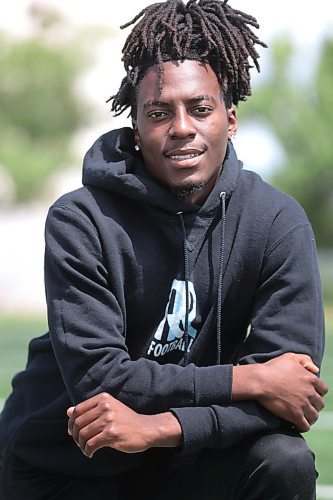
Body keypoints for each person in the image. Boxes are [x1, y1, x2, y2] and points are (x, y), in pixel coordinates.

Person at [0, 0, 329, 498]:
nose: (181, 127)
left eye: (200, 108)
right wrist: (252, 380)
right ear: (137, 131)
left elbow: (292, 395)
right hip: (69, 462)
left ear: (231, 120)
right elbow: (99, 378)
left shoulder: (278, 222)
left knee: (282, 460)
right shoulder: (81, 219)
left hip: (189, 457)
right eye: (159, 113)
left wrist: (159, 429)